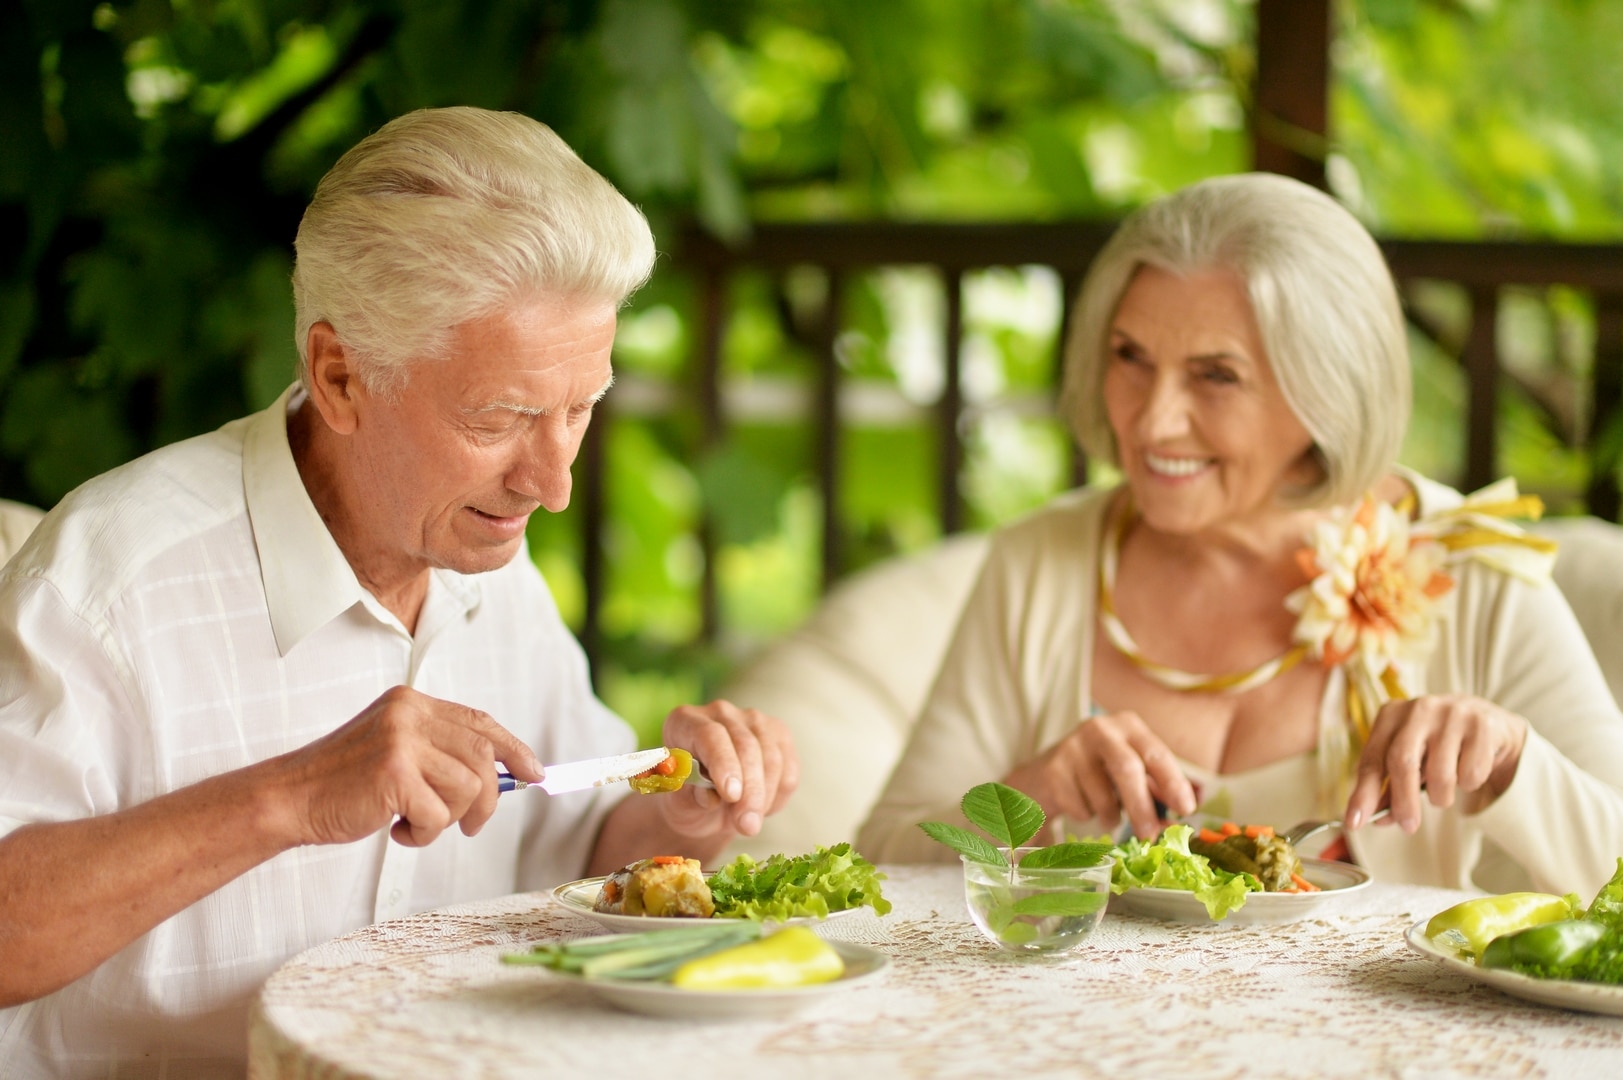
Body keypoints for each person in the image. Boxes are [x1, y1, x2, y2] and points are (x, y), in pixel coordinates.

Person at [0, 107, 796, 1075]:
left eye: (580, 409)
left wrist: (677, 818)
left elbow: (575, 844)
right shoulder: (108, 582)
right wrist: (286, 799)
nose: (553, 484)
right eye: (499, 417)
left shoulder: (488, 562)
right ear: (340, 377)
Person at [858, 172, 1623, 899]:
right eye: (1129, 357)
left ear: (1326, 388)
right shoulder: (1039, 564)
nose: (1151, 420)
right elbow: (880, 857)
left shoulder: (1470, 570)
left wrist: (1513, 764)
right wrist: (1029, 798)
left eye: (1215, 375)